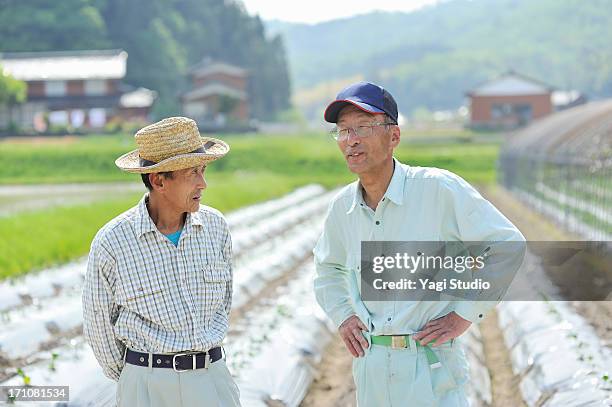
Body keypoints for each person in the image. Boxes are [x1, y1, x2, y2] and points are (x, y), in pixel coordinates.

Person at [313, 82, 526, 406]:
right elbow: (328, 267)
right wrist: (343, 315)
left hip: (430, 368)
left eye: (364, 127)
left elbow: (506, 245)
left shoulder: (438, 190)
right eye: (343, 131)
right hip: (372, 369)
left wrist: (465, 313)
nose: (351, 140)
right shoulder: (343, 208)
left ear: (394, 136)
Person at [82, 116, 240, 407]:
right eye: (193, 172)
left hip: (212, 379)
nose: (203, 183)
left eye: (203, 170)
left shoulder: (216, 227)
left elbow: (225, 303)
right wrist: (139, 375)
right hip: (146, 386)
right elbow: (98, 327)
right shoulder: (113, 242)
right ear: (158, 180)